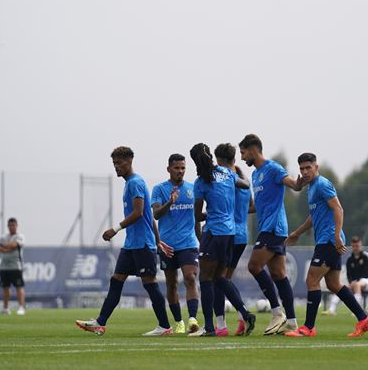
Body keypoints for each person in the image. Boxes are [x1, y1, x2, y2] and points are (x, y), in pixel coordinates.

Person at [76, 146, 172, 337]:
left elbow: (138, 213)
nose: (116, 167)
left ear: (129, 162)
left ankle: (164, 326)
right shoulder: (129, 184)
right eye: (114, 164)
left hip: (142, 244)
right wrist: (159, 240)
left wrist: (115, 229)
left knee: (149, 283)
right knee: (116, 280)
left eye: (119, 163)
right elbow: (148, 216)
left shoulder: (135, 182)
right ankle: (100, 323)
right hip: (131, 245)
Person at [285, 153, 368, 337]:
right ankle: (364, 320)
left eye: (308, 167)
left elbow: (338, 208)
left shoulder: (323, 184)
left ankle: (308, 328)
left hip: (329, 241)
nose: (305, 171)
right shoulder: (311, 189)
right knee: (334, 284)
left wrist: (336, 235)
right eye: (301, 168)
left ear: (316, 167)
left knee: (312, 280)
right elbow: (314, 217)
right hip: (326, 241)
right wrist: (297, 233)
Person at [239, 134, 305, 335]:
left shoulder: (273, 168)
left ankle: (277, 312)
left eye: (243, 153)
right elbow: (257, 207)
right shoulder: (255, 175)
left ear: (253, 150)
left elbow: (292, 184)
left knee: (254, 266)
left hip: (274, 228)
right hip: (267, 228)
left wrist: (298, 184)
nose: (242, 158)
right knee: (278, 274)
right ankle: (292, 321)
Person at [188, 143, 256, 337]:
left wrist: (199, 233)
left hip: (213, 232)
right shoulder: (227, 174)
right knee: (219, 277)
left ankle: (209, 327)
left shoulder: (201, 181)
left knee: (205, 279)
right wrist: (238, 178)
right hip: (230, 234)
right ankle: (245, 313)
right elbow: (244, 184)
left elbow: (197, 214)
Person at [151, 153, 201, 334]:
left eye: (183, 168)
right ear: (169, 169)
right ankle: (179, 321)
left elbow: (196, 218)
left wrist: (201, 240)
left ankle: (193, 319)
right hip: (168, 245)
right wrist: (169, 202)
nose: (180, 171)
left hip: (188, 243)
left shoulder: (192, 188)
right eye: (176, 168)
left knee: (190, 278)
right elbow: (156, 214)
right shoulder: (159, 189)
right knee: (171, 284)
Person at [213, 143, 254, 336]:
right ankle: (240, 319)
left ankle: (222, 325)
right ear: (234, 159)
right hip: (242, 233)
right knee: (226, 279)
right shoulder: (244, 180)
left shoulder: (226, 180)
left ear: (218, 160)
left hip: (226, 233)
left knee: (217, 279)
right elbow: (252, 207)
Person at [326, 236, 368, 315]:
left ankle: (356, 311)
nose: (355, 248)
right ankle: (331, 309)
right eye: (354, 246)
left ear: (360, 245)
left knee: (357, 285)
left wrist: (355, 282)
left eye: (357, 246)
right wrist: (351, 282)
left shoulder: (366, 256)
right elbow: (349, 274)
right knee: (340, 288)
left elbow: (367, 272)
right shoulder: (349, 259)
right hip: (355, 282)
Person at [0, 217, 26, 315]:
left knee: (19, 286)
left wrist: (3, 246)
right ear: (8, 226)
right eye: (10, 225)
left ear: (16, 226)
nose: (12, 227)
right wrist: (5, 249)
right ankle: (5, 308)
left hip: (16, 266)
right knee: (5, 288)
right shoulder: (4, 236)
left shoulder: (20, 236)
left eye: (13, 225)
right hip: (4, 266)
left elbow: (14, 245)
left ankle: (21, 307)